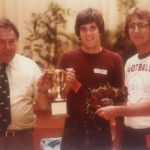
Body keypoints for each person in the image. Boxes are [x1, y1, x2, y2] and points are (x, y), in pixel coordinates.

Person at [56, 8, 124, 150]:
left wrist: (118, 138)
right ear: (78, 33)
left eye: (93, 28)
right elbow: (59, 97)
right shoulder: (67, 58)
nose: (88, 33)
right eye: (83, 29)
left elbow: (121, 101)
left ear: (100, 30)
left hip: (102, 131)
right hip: (72, 132)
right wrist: (67, 85)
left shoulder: (114, 60)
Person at [96, 7, 150, 150]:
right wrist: (119, 139)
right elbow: (124, 99)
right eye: (132, 26)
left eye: (142, 25)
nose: (136, 30)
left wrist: (117, 111)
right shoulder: (130, 63)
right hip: (129, 134)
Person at [0, 18, 52, 150]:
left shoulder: (29, 66)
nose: (7, 47)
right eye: (1, 42)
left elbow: (44, 106)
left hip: (20, 140)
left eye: (12, 41)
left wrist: (43, 91)